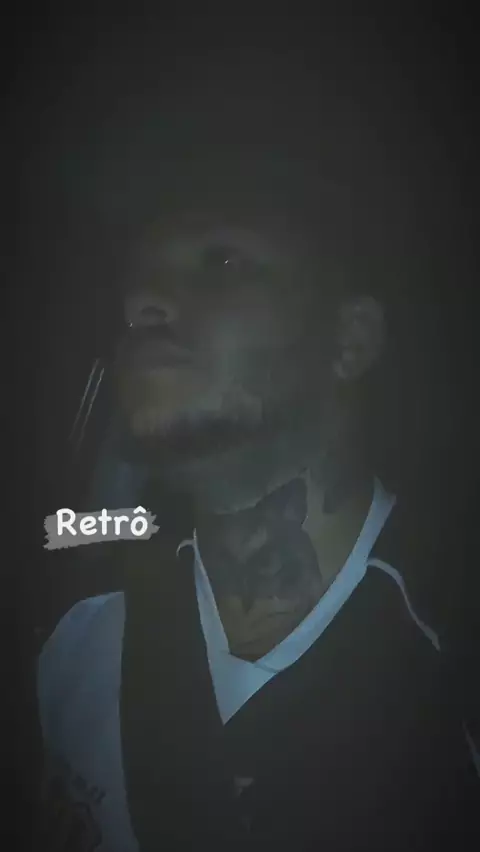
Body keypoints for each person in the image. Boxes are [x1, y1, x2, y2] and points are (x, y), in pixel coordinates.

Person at [36, 159, 479, 851]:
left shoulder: (451, 635)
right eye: (135, 277)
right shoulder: (84, 577)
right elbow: (57, 535)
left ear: (349, 339)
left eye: (222, 262)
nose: (139, 300)